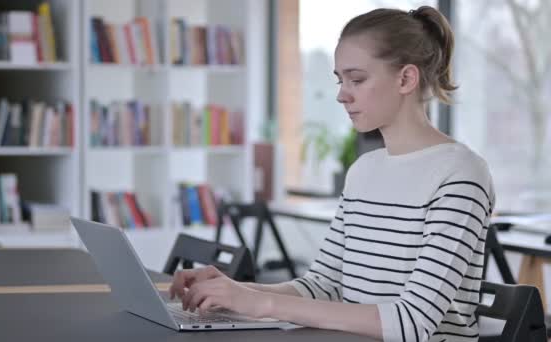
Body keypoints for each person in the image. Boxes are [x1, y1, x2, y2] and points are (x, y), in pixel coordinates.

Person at [170, 6, 494, 342]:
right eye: (341, 80)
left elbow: (411, 322)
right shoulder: (363, 171)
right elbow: (322, 285)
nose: (342, 94)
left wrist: (260, 302)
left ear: (406, 79)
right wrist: (232, 290)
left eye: (357, 79)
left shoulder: (460, 173)